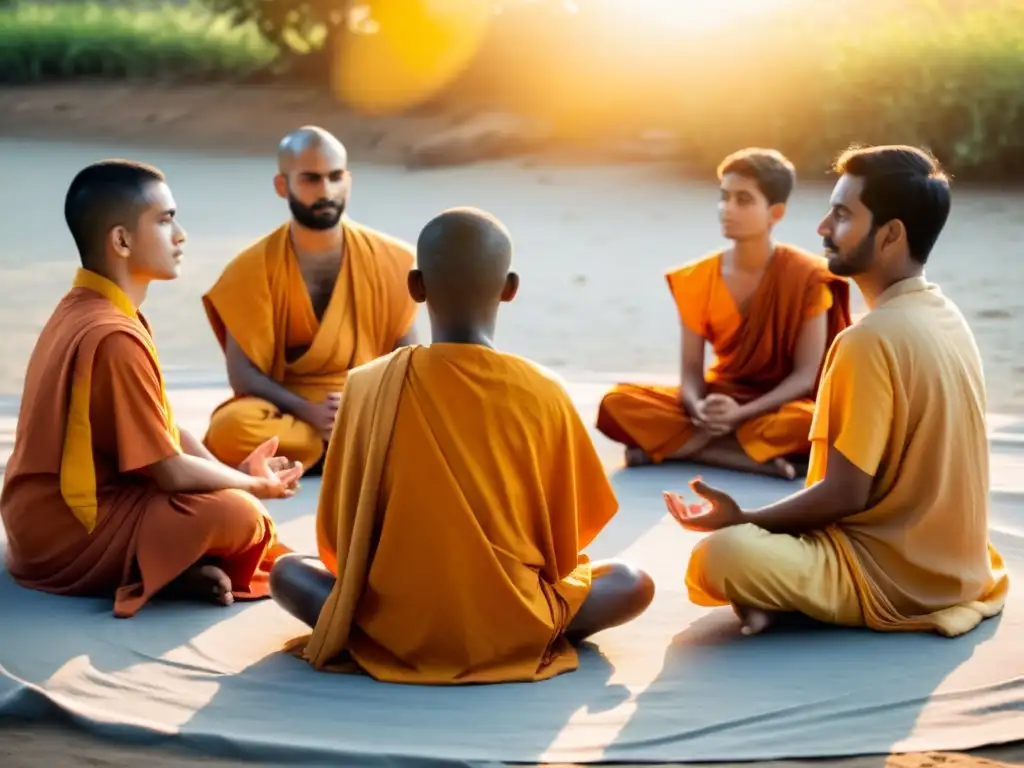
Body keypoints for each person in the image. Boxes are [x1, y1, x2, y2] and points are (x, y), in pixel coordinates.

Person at [269, 207, 655, 684]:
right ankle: (517, 633)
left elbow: (342, 538)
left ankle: (392, 629)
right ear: (510, 288)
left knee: (286, 571)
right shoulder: (544, 389)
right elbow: (563, 543)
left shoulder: (368, 384)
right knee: (633, 583)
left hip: (391, 623)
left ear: (415, 286)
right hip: (514, 618)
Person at [667, 144, 1009, 638]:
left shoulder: (866, 340)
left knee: (720, 554)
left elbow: (845, 494)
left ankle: (781, 600)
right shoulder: (945, 313)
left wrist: (744, 518)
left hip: (893, 576)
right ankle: (776, 598)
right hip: (962, 565)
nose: (822, 228)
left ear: (891, 234)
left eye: (842, 215)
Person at [0, 160, 303, 618]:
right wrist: (253, 485)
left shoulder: (90, 308)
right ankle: (157, 569)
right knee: (242, 517)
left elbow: (162, 429)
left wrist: (228, 471)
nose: (180, 235)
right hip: (67, 533)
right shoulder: (113, 334)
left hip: (39, 517)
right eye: (164, 221)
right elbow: (171, 473)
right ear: (121, 240)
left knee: (229, 500)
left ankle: (171, 566)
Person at [597, 148, 851, 479]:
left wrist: (742, 413)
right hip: (719, 399)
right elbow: (690, 374)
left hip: (775, 407)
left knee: (815, 422)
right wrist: (698, 408)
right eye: (724, 197)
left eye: (743, 200)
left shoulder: (807, 277)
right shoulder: (698, 277)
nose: (727, 209)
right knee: (617, 402)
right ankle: (735, 456)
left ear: (775, 213)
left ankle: (684, 448)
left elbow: (806, 376)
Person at [201, 126, 419, 472]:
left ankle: (322, 452)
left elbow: (407, 361)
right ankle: (347, 451)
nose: (326, 191)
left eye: (335, 177)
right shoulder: (250, 268)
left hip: (366, 404)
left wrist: (362, 402)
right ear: (282, 185)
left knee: (434, 416)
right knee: (231, 430)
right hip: (290, 410)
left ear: (348, 180)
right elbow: (243, 375)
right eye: (311, 179)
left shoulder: (393, 260)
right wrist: (308, 410)